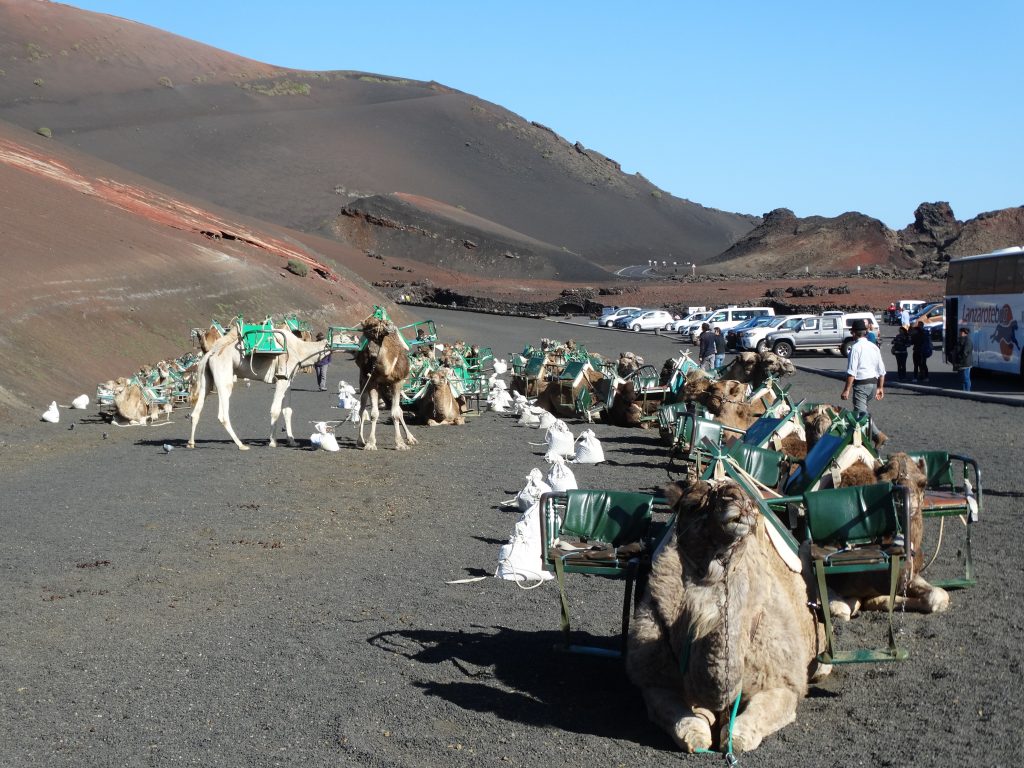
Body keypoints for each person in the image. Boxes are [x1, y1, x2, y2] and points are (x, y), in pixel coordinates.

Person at [841, 318, 887, 449]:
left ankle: (878, 436)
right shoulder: (874, 347)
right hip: (873, 384)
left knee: (861, 415)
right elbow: (882, 370)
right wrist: (880, 387)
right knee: (862, 413)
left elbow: (851, 372)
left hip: (861, 384)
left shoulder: (855, 348)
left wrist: (846, 390)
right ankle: (863, 439)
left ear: (853, 333)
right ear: (866, 332)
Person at [953, 327, 974, 391]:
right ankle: (963, 391)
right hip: (961, 363)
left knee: (966, 378)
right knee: (962, 379)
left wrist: (959, 359)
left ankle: (967, 391)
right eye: (960, 332)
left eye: (962, 332)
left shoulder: (968, 341)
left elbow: (965, 352)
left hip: (965, 363)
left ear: (966, 333)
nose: (960, 333)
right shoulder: (960, 340)